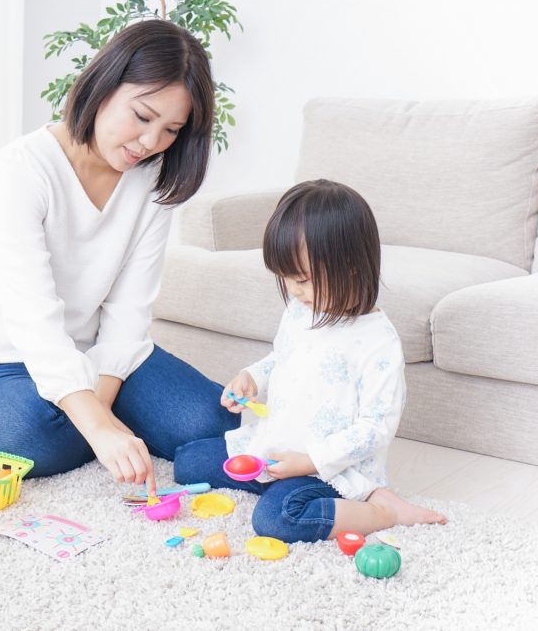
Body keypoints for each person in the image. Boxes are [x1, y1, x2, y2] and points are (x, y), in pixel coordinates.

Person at [0, 19, 237, 494]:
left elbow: (129, 311)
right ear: (104, 84)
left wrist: (98, 410)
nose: (150, 143)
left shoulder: (152, 178)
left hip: (102, 357)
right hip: (5, 364)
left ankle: (100, 418)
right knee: (31, 438)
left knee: (217, 422)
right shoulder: (21, 169)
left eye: (171, 130)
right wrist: (99, 427)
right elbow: (32, 319)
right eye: (142, 117)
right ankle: (106, 422)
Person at [174, 179, 448, 542]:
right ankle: (274, 484)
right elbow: (282, 358)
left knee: (277, 520)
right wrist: (252, 377)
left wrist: (311, 462)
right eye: (286, 278)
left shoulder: (377, 342)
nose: (293, 289)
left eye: (302, 279)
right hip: (276, 448)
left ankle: (382, 509)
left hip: (330, 470)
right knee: (187, 462)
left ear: (350, 266)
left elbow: (375, 429)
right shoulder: (300, 310)